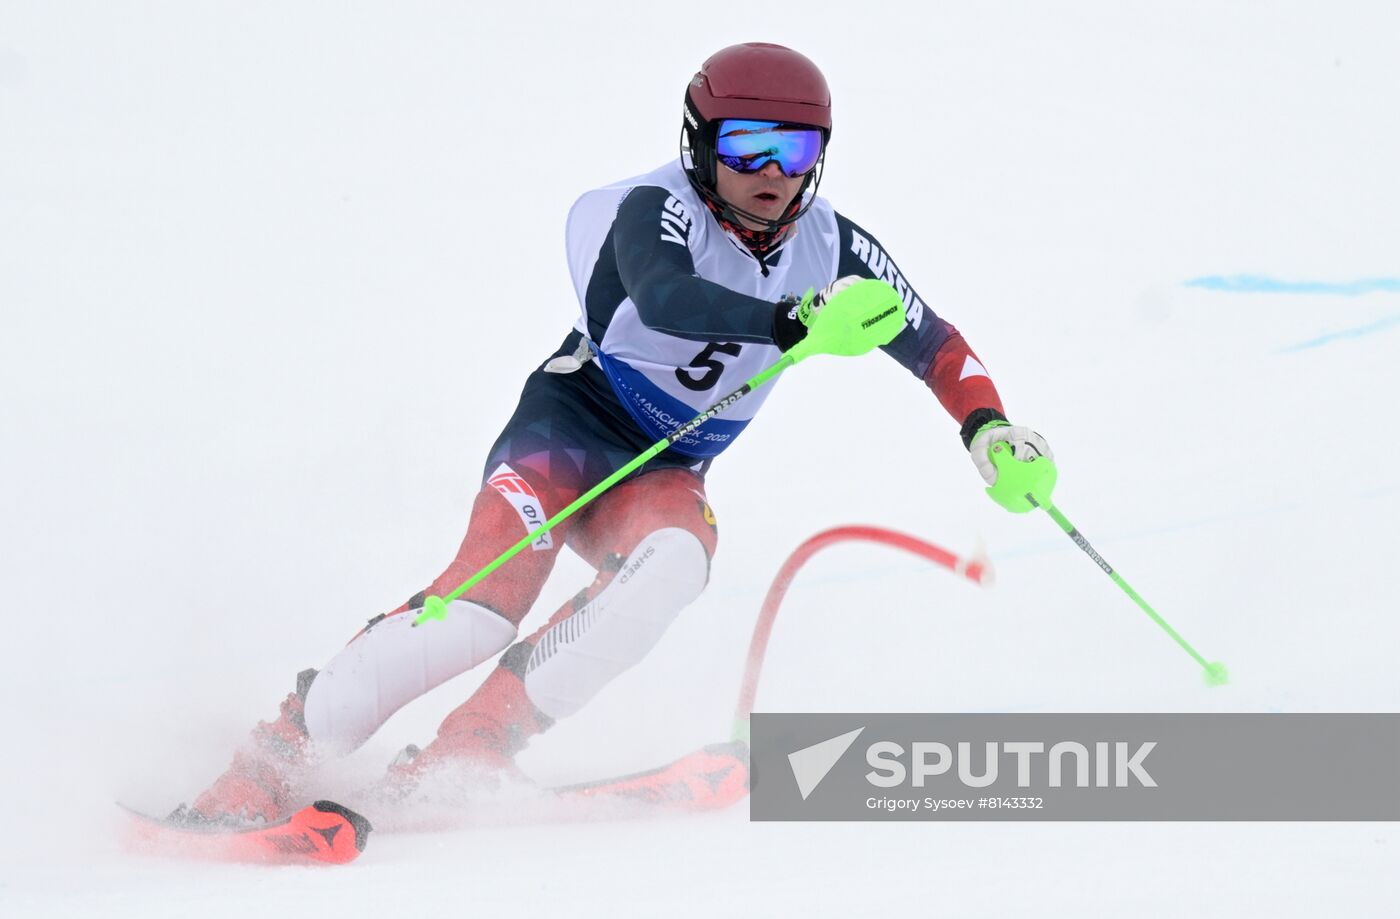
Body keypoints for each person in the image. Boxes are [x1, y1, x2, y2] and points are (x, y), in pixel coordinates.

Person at [186, 41, 1054, 825]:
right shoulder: (656, 209)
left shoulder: (832, 248)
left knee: (672, 568)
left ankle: (473, 745)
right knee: (479, 610)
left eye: (794, 152)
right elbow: (665, 297)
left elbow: (934, 342)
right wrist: (794, 320)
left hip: (667, 466)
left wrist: (990, 430)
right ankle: (273, 754)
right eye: (743, 145)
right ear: (699, 143)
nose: (769, 173)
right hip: (570, 428)